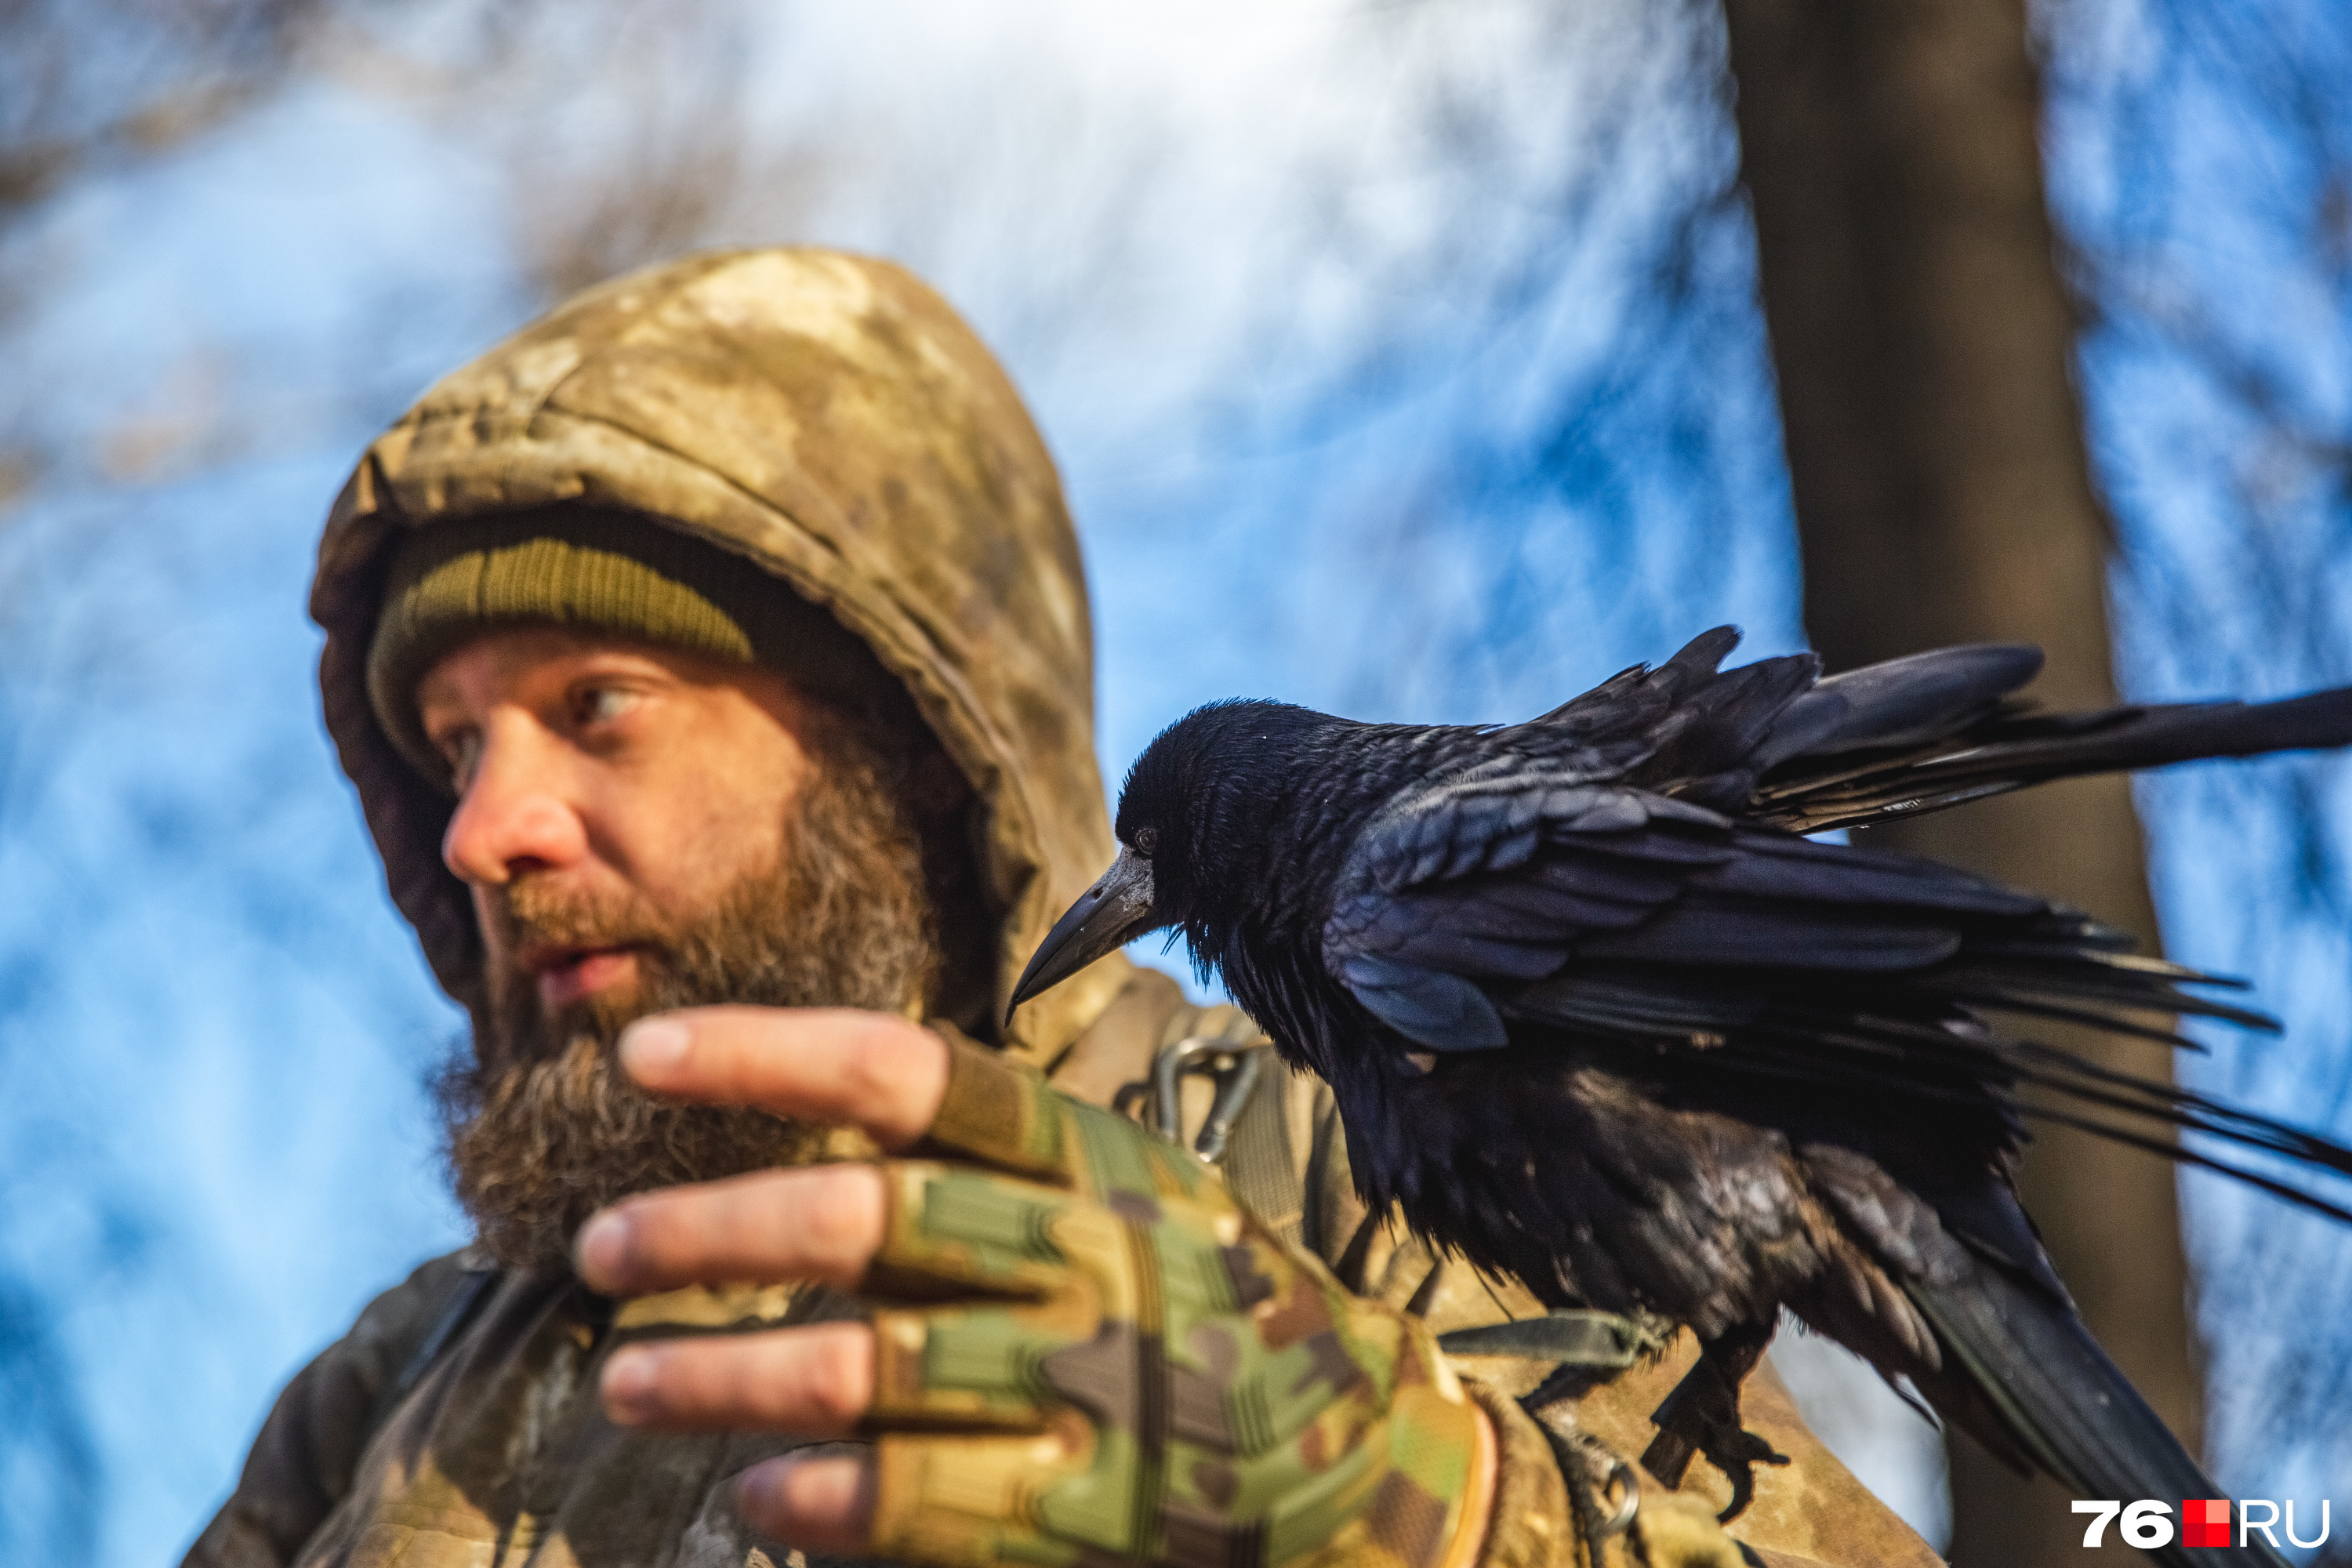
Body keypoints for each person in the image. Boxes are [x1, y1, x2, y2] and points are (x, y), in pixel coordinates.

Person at [184, 248, 1941, 1568]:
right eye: (449, 748)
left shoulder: (1352, 1150)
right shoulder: (394, 1379)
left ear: (904, 747)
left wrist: (1428, 1498)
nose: (486, 826)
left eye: (596, 711)